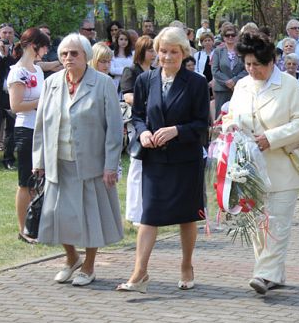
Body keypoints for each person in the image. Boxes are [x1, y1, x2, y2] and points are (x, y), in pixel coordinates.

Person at [117, 27, 209, 293]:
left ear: (183, 53)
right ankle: (139, 272)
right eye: (163, 51)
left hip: (186, 160)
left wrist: (177, 131)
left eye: (174, 52)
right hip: (155, 159)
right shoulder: (145, 80)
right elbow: (136, 116)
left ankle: (186, 265)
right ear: (156, 52)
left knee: (187, 216)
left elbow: (202, 124)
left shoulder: (197, 82)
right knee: (149, 216)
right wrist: (143, 132)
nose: (167, 57)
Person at [222, 31, 299, 295]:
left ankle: (264, 273)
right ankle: (275, 274)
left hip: (282, 166)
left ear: (271, 61)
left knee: (277, 222)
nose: (252, 70)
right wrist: (230, 128)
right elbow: (231, 116)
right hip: (249, 169)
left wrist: (270, 138)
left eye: (257, 65)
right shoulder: (242, 85)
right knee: (257, 225)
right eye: (247, 64)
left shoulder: (289, 85)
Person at [33, 33, 123, 286]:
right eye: (64, 54)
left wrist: (110, 165)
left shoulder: (103, 83)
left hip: (90, 163)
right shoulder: (51, 83)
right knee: (57, 215)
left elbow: (114, 129)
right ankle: (71, 258)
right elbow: (41, 124)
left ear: (86, 56)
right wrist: (38, 160)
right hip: (57, 162)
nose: (68, 58)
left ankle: (89, 265)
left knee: (90, 217)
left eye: (74, 53)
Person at [7, 28, 49, 244]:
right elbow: (16, 106)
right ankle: (23, 229)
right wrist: (43, 102)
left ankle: (35, 225)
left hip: (41, 129)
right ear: (34, 45)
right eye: (44, 46)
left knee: (39, 179)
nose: (46, 50)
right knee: (26, 182)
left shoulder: (37, 70)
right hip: (25, 130)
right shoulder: (18, 72)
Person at [120, 36, 156, 225]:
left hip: (155, 124)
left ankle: (149, 208)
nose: (154, 54)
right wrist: (151, 103)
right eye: (150, 50)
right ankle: (134, 213)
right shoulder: (131, 71)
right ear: (142, 51)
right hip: (137, 122)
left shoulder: (156, 72)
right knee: (137, 165)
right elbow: (127, 97)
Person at [211, 24, 247, 115]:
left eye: (233, 35)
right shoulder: (217, 51)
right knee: (221, 117)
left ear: (236, 36)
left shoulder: (242, 51)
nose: (230, 37)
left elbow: (247, 68)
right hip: (222, 89)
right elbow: (215, 70)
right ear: (223, 37)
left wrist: (234, 81)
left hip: (239, 88)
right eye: (227, 35)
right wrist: (227, 81)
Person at [0, 22, 17, 170]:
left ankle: (9, 159)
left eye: (10, 32)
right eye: (4, 32)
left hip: (12, 96)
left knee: (11, 130)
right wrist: (1, 55)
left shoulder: (18, 51)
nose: (7, 35)